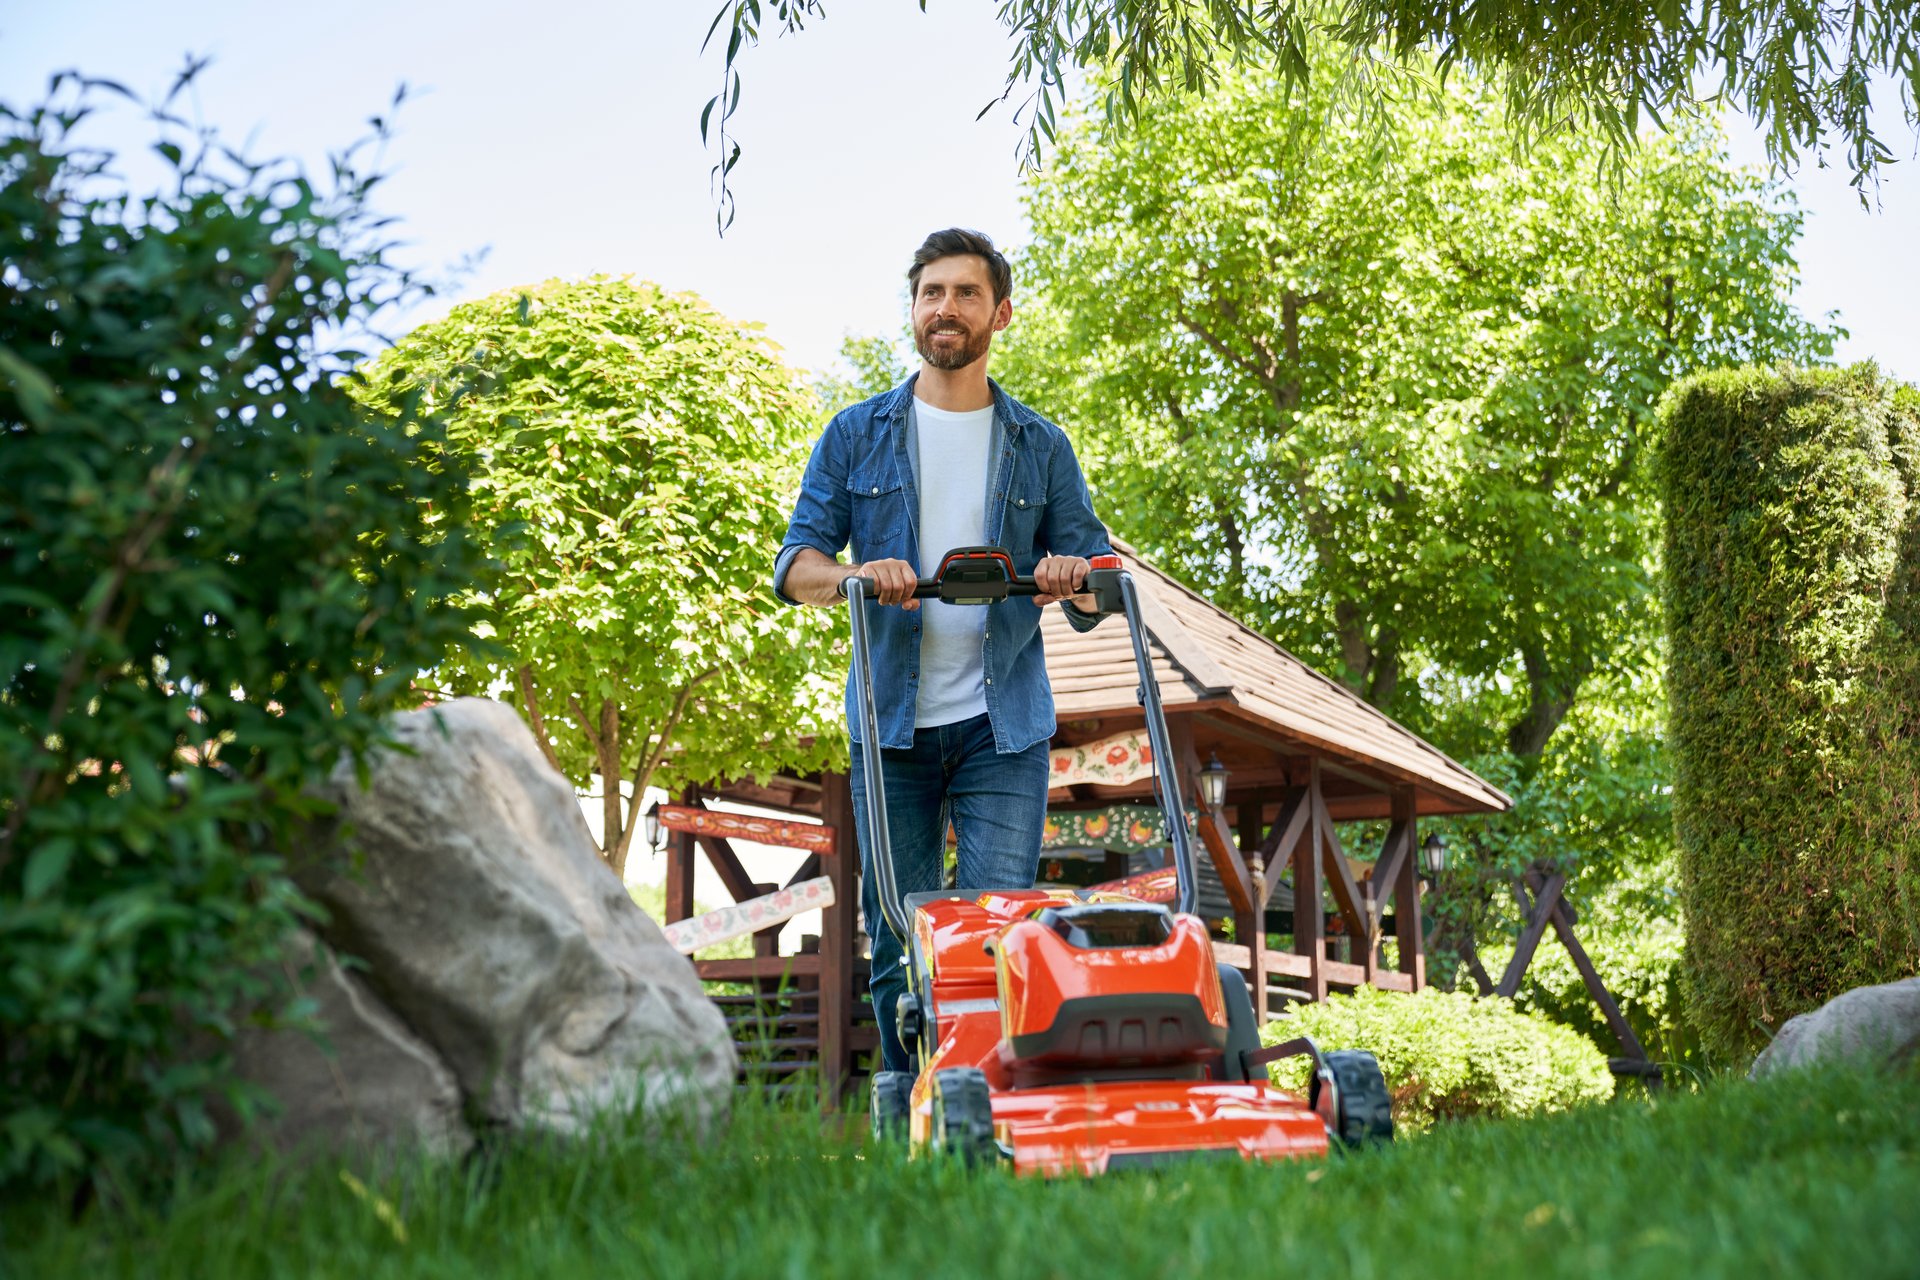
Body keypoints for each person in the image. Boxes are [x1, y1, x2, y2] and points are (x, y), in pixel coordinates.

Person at [772, 228, 1113, 1074]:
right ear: (914, 310)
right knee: (899, 936)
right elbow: (795, 566)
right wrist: (856, 575)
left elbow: (1103, 580)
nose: (945, 308)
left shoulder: (1041, 445)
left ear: (1001, 312)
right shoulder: (857, 434)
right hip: (892, 730)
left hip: (1005, 728)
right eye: (931, 292)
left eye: (965, 293)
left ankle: (997, 1109)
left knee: (1003, 928)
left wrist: (1072, 575)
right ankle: (906, 1109)